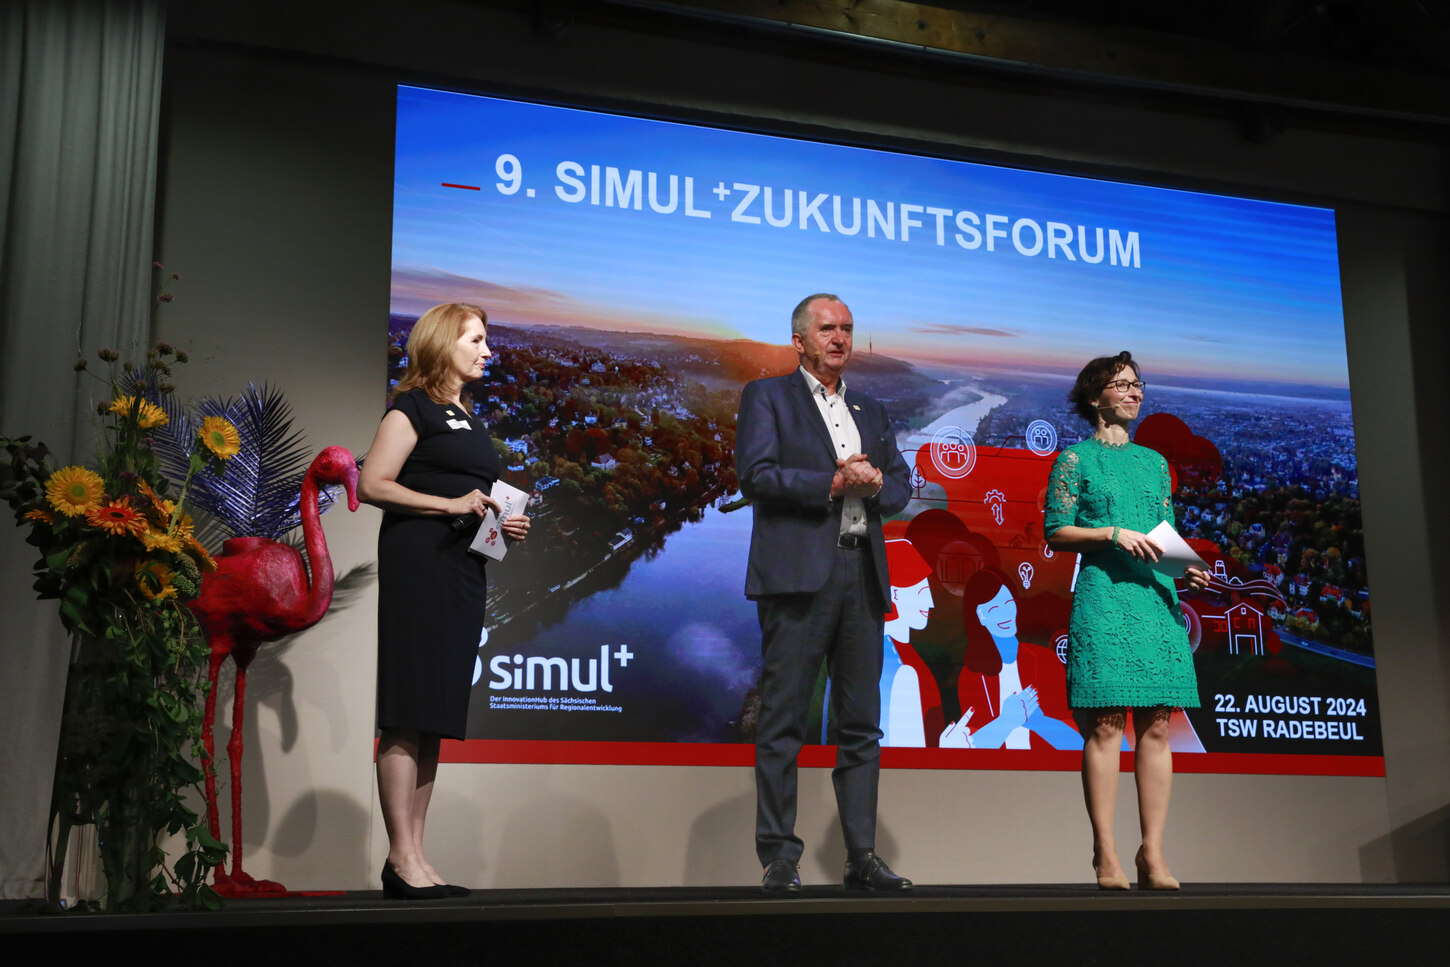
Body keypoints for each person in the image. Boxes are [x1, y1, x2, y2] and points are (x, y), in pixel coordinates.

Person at [736, 293, 913, 894]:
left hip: (862, 576)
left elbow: (901, 487)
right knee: (783, 719)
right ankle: (779, 857)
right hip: (798, 579)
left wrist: (877, 479)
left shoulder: (871, 406)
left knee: (861, 724)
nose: (840, 337)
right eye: (827, 328)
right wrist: (835, 481)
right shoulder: (767, 398)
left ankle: (860, 856)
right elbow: (756, 477)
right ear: (800, 341)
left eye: (847, 328)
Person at [358, 302, 531, 900]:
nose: (488, 351)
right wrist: (452, 506)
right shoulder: (412, 407)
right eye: (477, 340)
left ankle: (415, 855)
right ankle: (401, 858)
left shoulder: (466, 415)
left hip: (462, 570)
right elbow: (372, 483)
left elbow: (470, 493)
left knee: (432, 716)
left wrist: (495, 524)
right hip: (421, 569)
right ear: (442, 344)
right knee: (408, 711)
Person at [1043, 351, 1209, 891]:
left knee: (1158, 725)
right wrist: (1111, 534)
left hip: (1156, 601)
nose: (1135, 393)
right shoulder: (1074, 461)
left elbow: (1163, 535)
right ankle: (1106, 851)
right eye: (1122, 385)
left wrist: (1189, 572)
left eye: (1138, 384)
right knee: (1108, 724)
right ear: (1096, 398)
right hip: (1105, 596)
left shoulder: (1155, 463)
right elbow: (1056, 531)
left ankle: (1153, 853)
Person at [952, 567, 1081, 751]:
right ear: (980, 616)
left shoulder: (1045, 661)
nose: (1005, 614)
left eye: (1008, 603)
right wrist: (1007, 721)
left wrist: (1039, 723)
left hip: (1046, 772)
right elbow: (971, 744)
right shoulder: (971, 675)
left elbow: (1074, 742)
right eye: (995, 608)